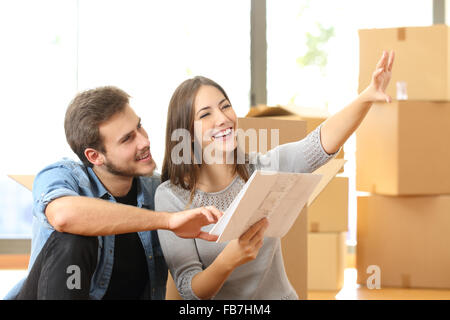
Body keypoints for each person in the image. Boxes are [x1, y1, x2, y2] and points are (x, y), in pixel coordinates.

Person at [156, 50, 395, 299]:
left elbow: (318, 145)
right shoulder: (171, 197)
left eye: (225, 106)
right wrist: (228, 261)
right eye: (205, 114)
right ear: (186, 133)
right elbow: (189, 290)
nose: (223, 118)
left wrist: (367, 97)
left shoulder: (261, 168)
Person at [3, 86, 222, 300]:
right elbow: (63, 216)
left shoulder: (157, 191)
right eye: (127, 139)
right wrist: (167, 220)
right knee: (75, 238)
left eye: (140, 127)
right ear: (95, 156)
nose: (145, 141)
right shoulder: (61, 175)